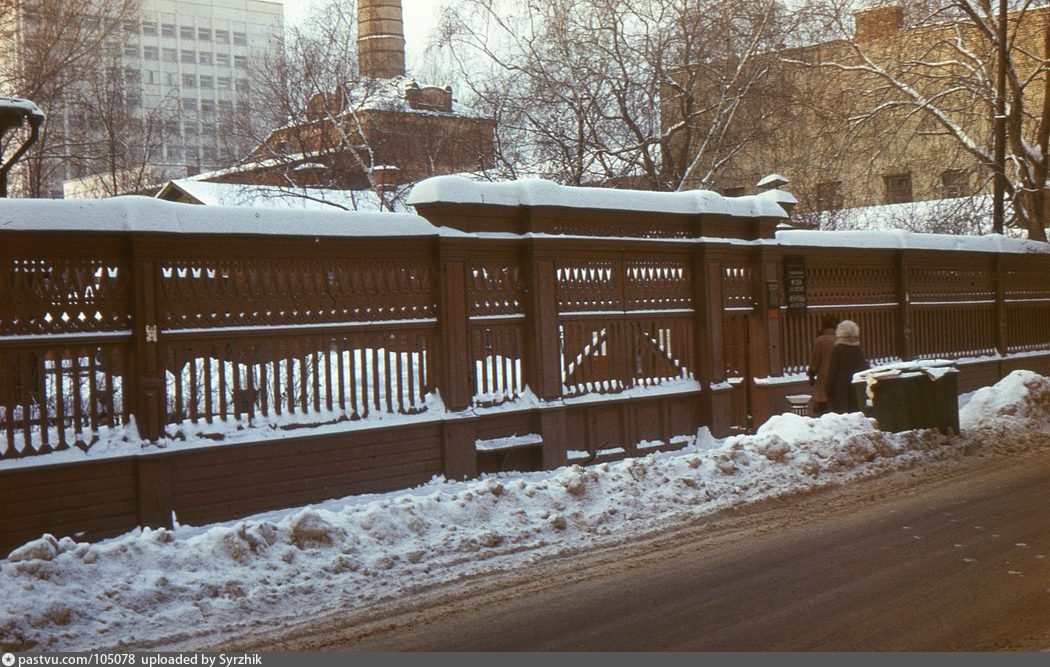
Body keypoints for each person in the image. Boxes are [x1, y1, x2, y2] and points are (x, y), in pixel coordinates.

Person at [824, 319, 869, 414]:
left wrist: (828, 389)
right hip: (856, 389)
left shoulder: (838, 349)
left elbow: (833, 371)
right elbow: (864, 369)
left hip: (840, 390)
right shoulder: (858, 350)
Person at [807, 315, 840, 415]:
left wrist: (812, 374)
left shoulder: (820, 340)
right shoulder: (840, 339)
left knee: (822, 402)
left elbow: (815, 360)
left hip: (823, 375)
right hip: (838, 375)